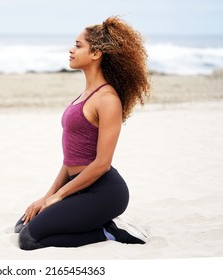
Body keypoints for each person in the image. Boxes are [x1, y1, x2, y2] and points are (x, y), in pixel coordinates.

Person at [14, 16, 151, 250]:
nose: (71, 49)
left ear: (96, 53)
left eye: (78, 45)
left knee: (28, 240)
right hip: (77, 185)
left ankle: (107, 231)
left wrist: (57, 198)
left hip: (103, 191)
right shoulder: (83, 95)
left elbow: (101, 164)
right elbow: (70, 161)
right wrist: (46, 196)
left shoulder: (108, 100)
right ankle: (93, 222)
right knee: (22, 225)